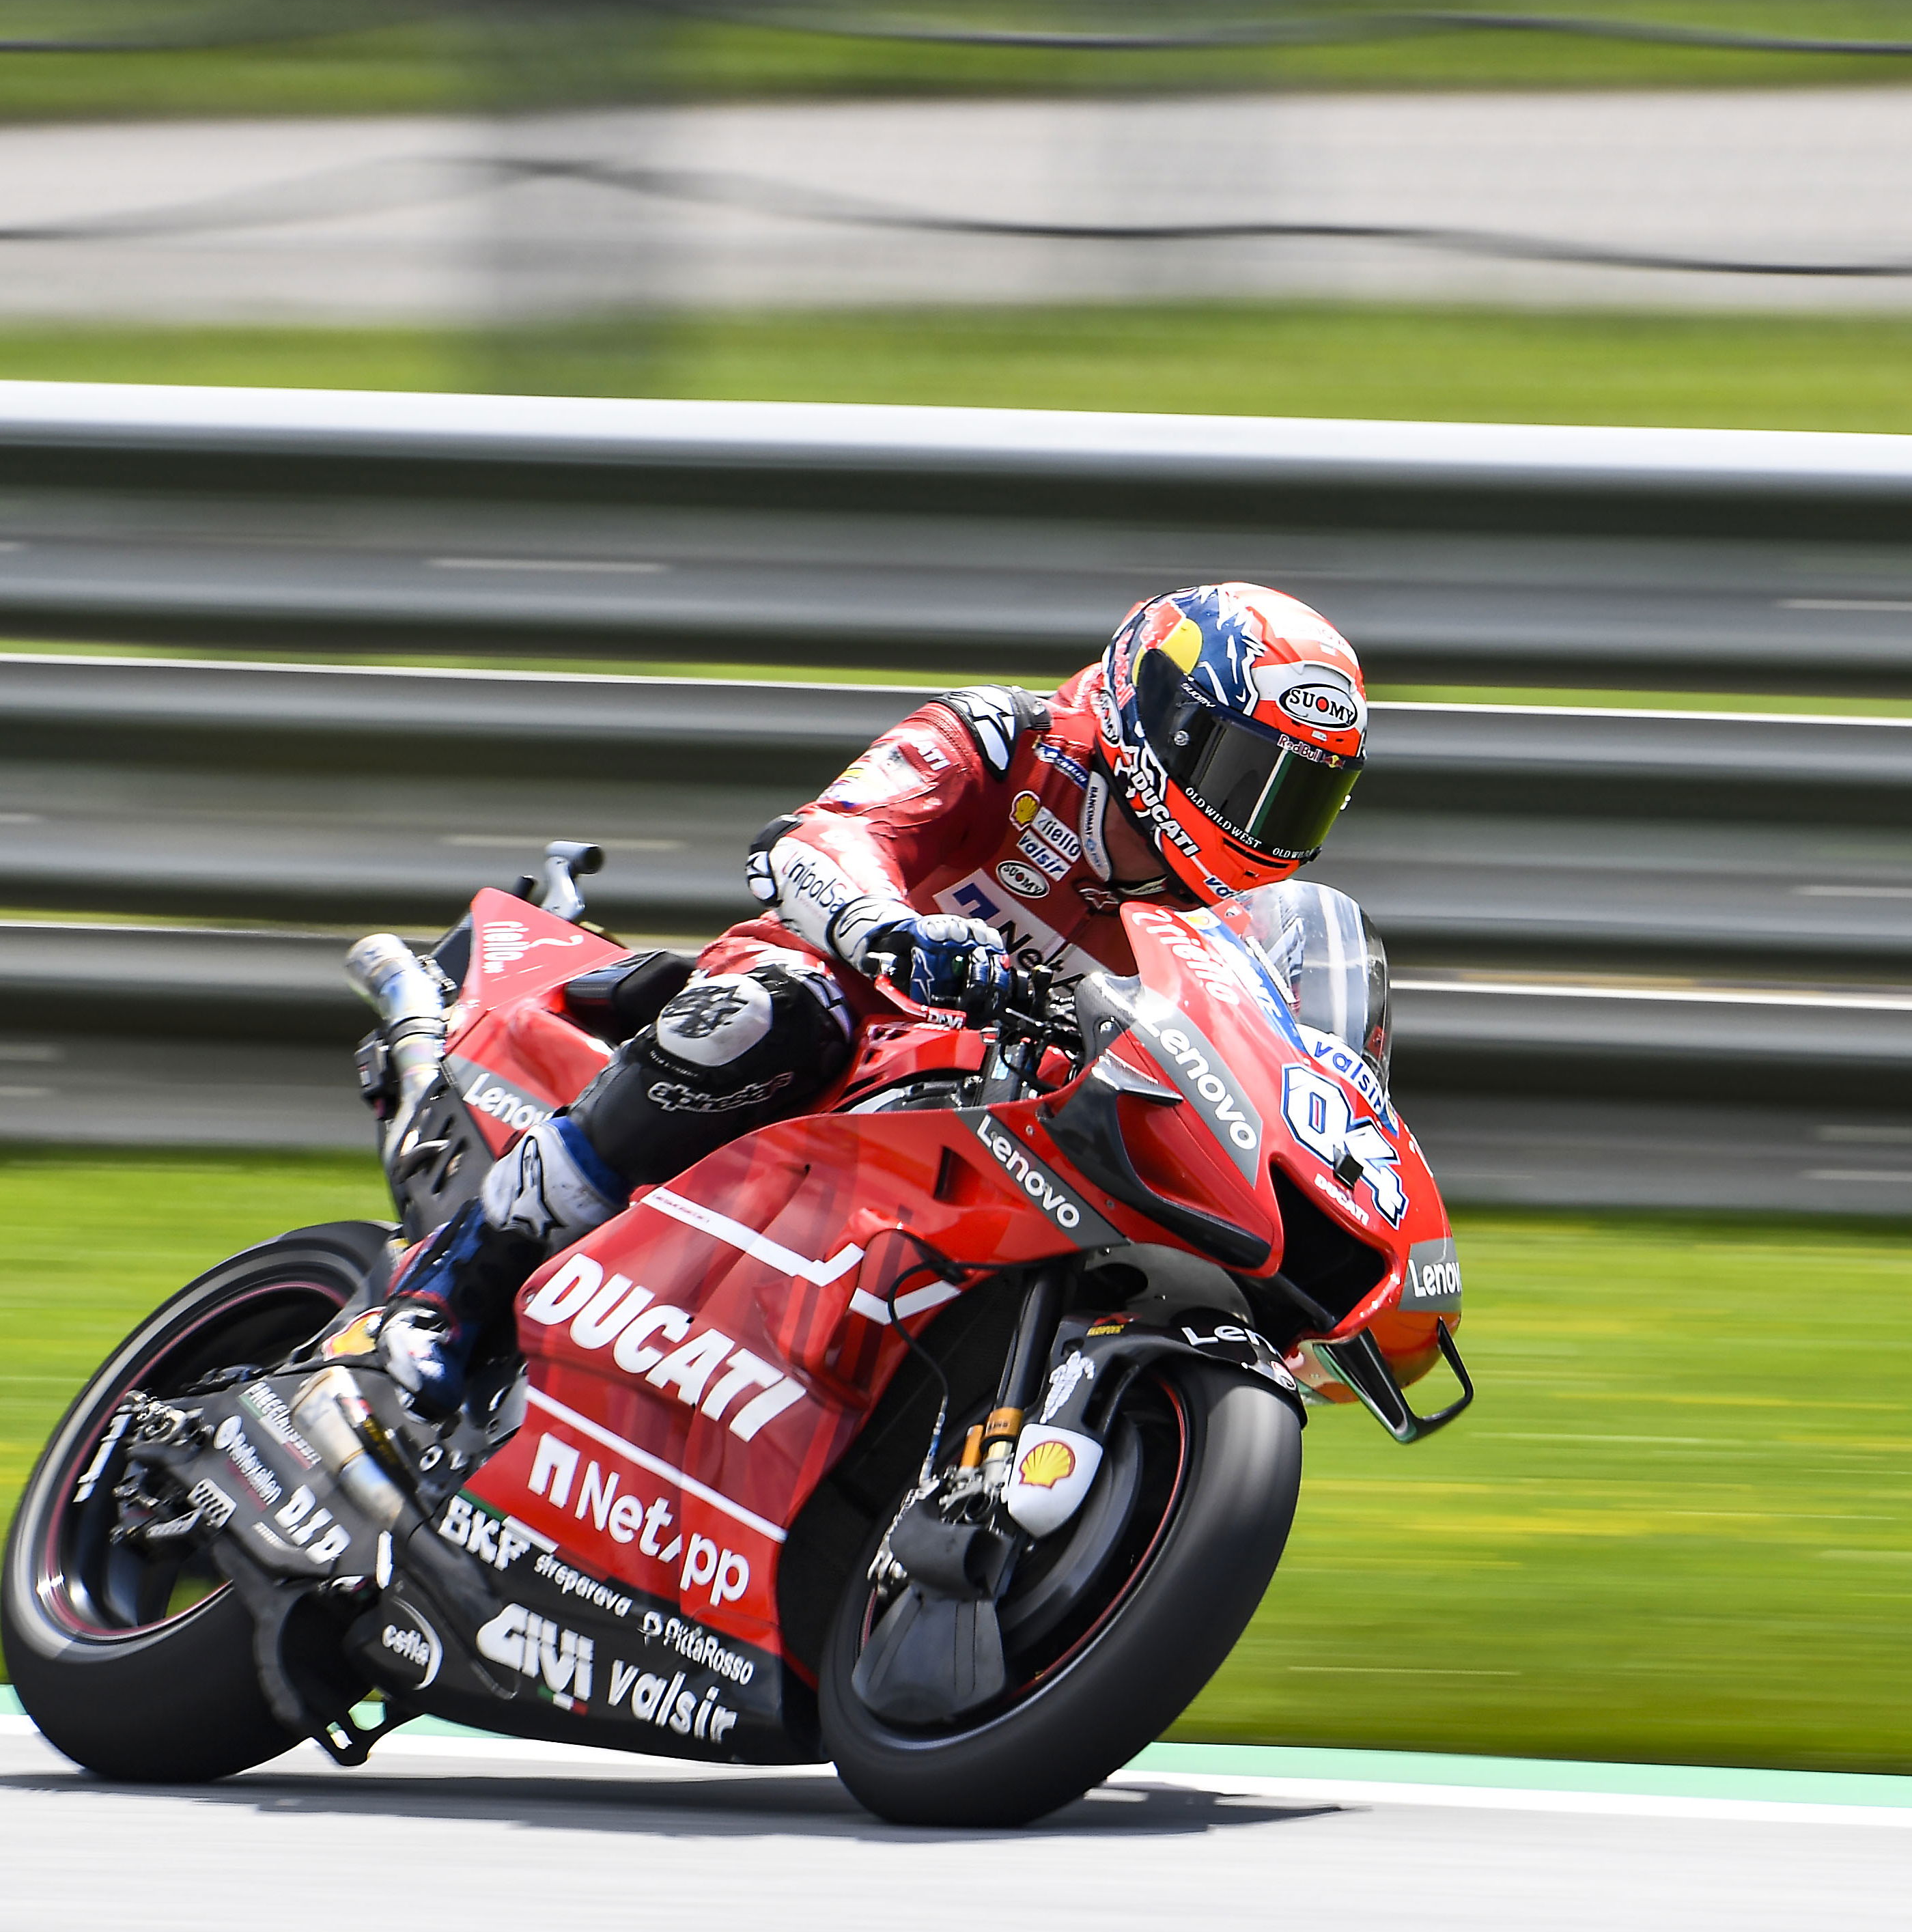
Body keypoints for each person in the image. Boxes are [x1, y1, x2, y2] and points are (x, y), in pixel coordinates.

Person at [373, 581, 1370, 1417]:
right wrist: (896, 935)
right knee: (773, 1014)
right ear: (1170, 722)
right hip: (846, 1018)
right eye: (1254, 778)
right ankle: (459, 1282)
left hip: (1011, 1121)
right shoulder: (1005, 741)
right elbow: (816, 840)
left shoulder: (1240, 923)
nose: (1268, 824)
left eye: (1302, 799)